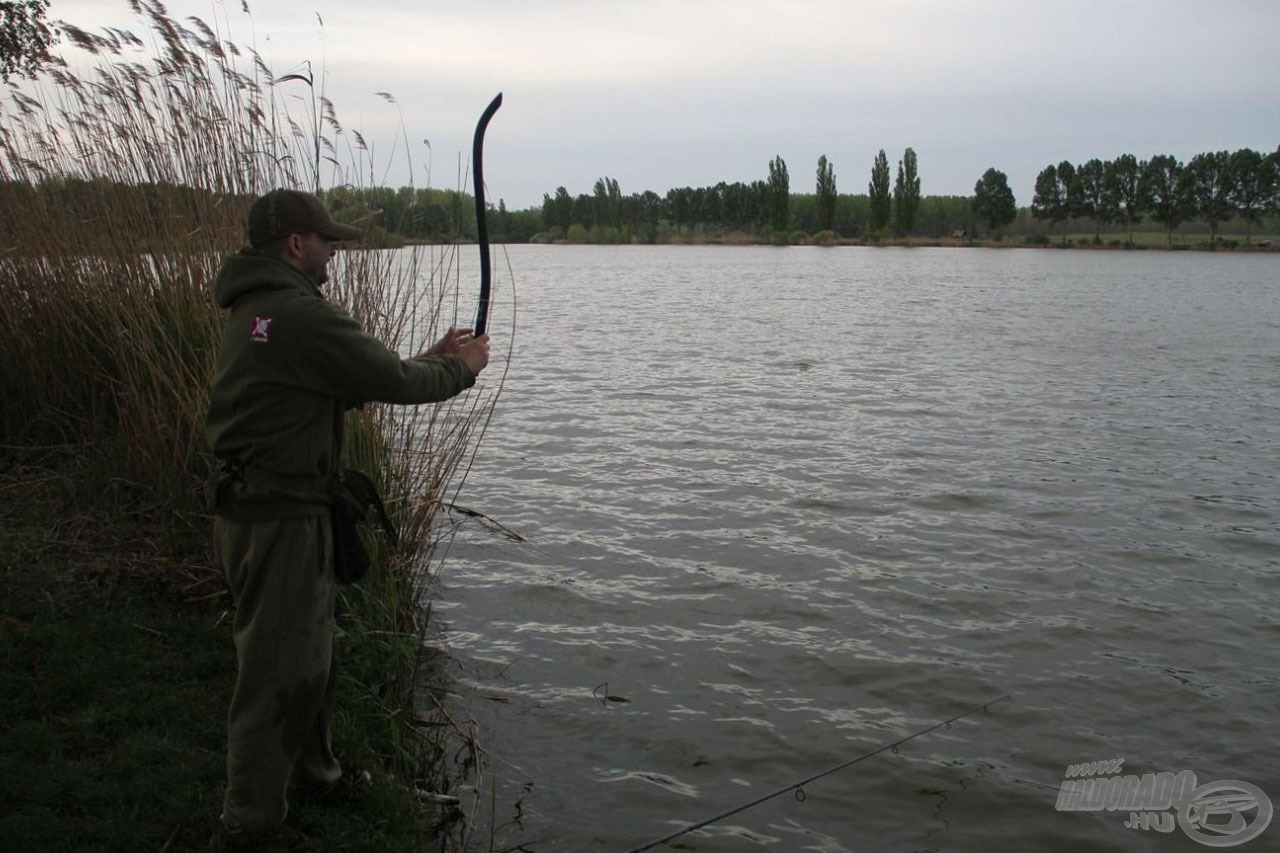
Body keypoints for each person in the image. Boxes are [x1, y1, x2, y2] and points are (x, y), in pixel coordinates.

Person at [204, 188, 489, 849]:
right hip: (279, 520)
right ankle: (248, 826)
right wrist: (460, 369)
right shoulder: (298, 312)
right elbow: (393, 381)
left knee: (311, 657)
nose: (333, 253)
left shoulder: (256, 307)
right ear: (296, 244)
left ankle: (314, 775)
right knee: (277, 672)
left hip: (263, 512)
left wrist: (431, 352)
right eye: (327, 241)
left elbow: (347, 378)